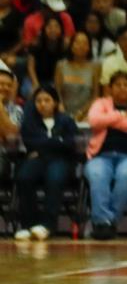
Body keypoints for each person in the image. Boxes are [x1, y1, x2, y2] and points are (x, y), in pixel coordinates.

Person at [84, 70, 127, 238]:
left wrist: (110, 120)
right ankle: (104, 223)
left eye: (126, 85)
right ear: (110, 88)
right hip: (101, 156)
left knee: (126, 175)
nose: (122, 88)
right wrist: (120, 115)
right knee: (97, 174)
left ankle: (106, 221)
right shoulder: (100, 103)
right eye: (118, 85)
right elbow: (94, 121)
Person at [14, 85, 77, 243]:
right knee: (24, 177)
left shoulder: (66, 120)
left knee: (54, 179)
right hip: (37, 158)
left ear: (55, 102)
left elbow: (70, 144)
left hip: (61, 160)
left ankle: (47, 225)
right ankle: (28, 225)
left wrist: (44, 145)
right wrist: (56, 141)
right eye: (38, 101)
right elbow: (29, 142)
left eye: (47, 100)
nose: (42, 104)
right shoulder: (29, 121)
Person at [55, 30, 99, 121]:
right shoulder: (61, 66)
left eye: (85, 43)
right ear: (71, 45)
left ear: (89, 47)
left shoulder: (95, 67)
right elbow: (57, 92)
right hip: (63, 111)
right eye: (77, 42)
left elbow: (95, 96)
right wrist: (61, 107)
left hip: (86, 113)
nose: (81, 46)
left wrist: (82, 113)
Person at [26, 14, 67, 97]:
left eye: (56, 27)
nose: (53, 30)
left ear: (61, 29)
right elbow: (30, 67)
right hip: (35, 78)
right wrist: (35, 83)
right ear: (44, 29)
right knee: (29, 92)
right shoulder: (36, 45)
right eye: (49, 27)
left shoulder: (64, 47)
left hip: (54, 80)